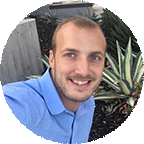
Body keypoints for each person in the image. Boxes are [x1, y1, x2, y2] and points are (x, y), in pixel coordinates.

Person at [2, 16, 106, 144]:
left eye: (95, 57)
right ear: (52, 60)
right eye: (70, 55)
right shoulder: (18, 105)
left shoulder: (87, 104)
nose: (84, 71)